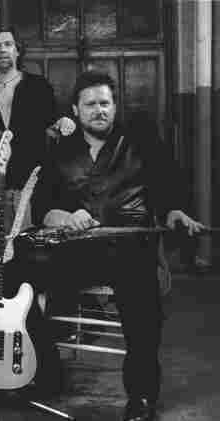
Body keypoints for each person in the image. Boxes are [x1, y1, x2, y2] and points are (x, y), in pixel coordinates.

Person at [23, 70, 204, 421]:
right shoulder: (59, 152)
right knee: (14, 275)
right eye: (90, 104)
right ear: (75, 110)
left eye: (105, 103)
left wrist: (174, 212)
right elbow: (45, 208)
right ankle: (45, 371)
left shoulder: (141, 144)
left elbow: (167, 188)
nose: (99, 110)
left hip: (128, 249)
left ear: (115, 106)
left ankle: (142, 396)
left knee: (142, 299)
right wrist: (65, 216)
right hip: (77, 250)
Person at [0, 26, 73, 230]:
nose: (2, 49)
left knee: (28, 244)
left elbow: (53, 124)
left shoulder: (38, 86)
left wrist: (63, 123)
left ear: (17, 51)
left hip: (33, 187)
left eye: (8, 44)